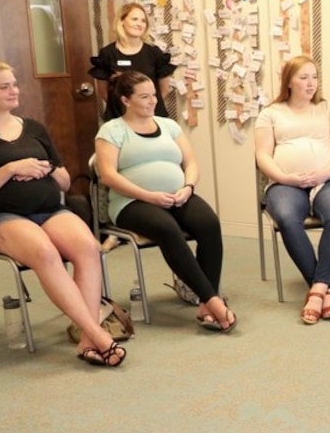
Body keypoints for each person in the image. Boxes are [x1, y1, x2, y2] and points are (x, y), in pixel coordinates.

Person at [0, 60, 126, 366]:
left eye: (15, 84)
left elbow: (64, 179)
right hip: (1, 217)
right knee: (44, 252)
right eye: (4, 86)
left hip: (49, 209)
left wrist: (42, 170)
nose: (14, 90)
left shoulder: (33, 128)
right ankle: (97, 335)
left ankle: (87, 338)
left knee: (88, 247)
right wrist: (10, 169)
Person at [94, 71, 235, 332]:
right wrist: (148, 195)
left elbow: (191, 162)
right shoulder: (112, 130)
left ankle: (206, 300)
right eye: (144, 97)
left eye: (153, 95)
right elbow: (107, 175)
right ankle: (212, 300)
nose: (152, 101)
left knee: (209, 223)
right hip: (131, 203)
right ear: (126, 100)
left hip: (176, 194)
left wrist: (188, 187)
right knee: (167, 229)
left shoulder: (168, 126)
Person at [254, 55, 330, 325]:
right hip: (285, 182)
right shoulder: (270, 113)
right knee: (286, 218)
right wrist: (285, 177)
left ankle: (317, 291)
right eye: (304, 77)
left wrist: (324, 172)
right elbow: (263, 156)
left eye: (314, 77)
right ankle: (324, 290)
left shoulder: (329, 108)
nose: (311, 83)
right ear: (289, 82)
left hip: (328, 178)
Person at [89, 2, 178, 121]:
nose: (139, 24)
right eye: (135, 19)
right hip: (119, 117)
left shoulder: (154, 53)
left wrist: (146, 106)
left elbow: (164, 89)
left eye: (143, 21)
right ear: (122, 21)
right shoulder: (107, 54)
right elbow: (103, 92)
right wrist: (124, 107)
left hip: (151, 117)